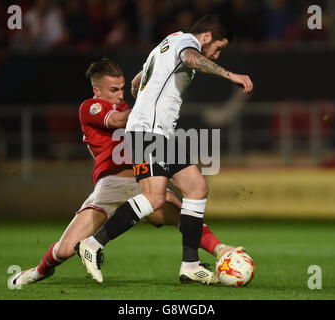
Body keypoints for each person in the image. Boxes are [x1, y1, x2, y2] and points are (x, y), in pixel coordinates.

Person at [11, 58, 243, 286]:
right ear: (97, 90)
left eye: (122, 88)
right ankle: (38, 272)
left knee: (186, 216)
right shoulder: (90, 108)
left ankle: (221, 251)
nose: (120, 95)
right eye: (113, 89)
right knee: (64, 250)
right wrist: (152, 105)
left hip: (140, 181)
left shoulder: (131, 110)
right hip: (110, 186)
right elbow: (119, 120)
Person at [76, 15, 253, 285]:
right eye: (218, 48)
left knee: (196, 187)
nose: (217, 55)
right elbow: (193, 59)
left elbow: (137, 83)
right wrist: (230, 75)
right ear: (206, 37)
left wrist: (149, 96)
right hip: (148, 132)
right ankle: (93, 243)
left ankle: (190, 265)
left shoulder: (165, 43)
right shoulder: (185, 43)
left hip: (161, 133)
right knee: (154, 198)